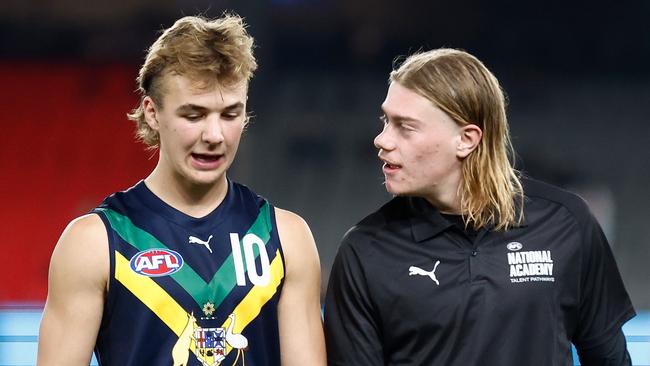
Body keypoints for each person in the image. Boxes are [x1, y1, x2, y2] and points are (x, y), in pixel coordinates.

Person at [37, 14, 326, 366]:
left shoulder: (286, 238)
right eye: (194, 115)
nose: (214, 135)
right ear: (152, 112)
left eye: (230, 114)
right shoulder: (94, 242)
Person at [324, 48, 635, 365]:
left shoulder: (567, 222)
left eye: (405, 126)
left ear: (466, 139)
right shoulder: (364, 251)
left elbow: (609, 358)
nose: (382, 139)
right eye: (386, 120)